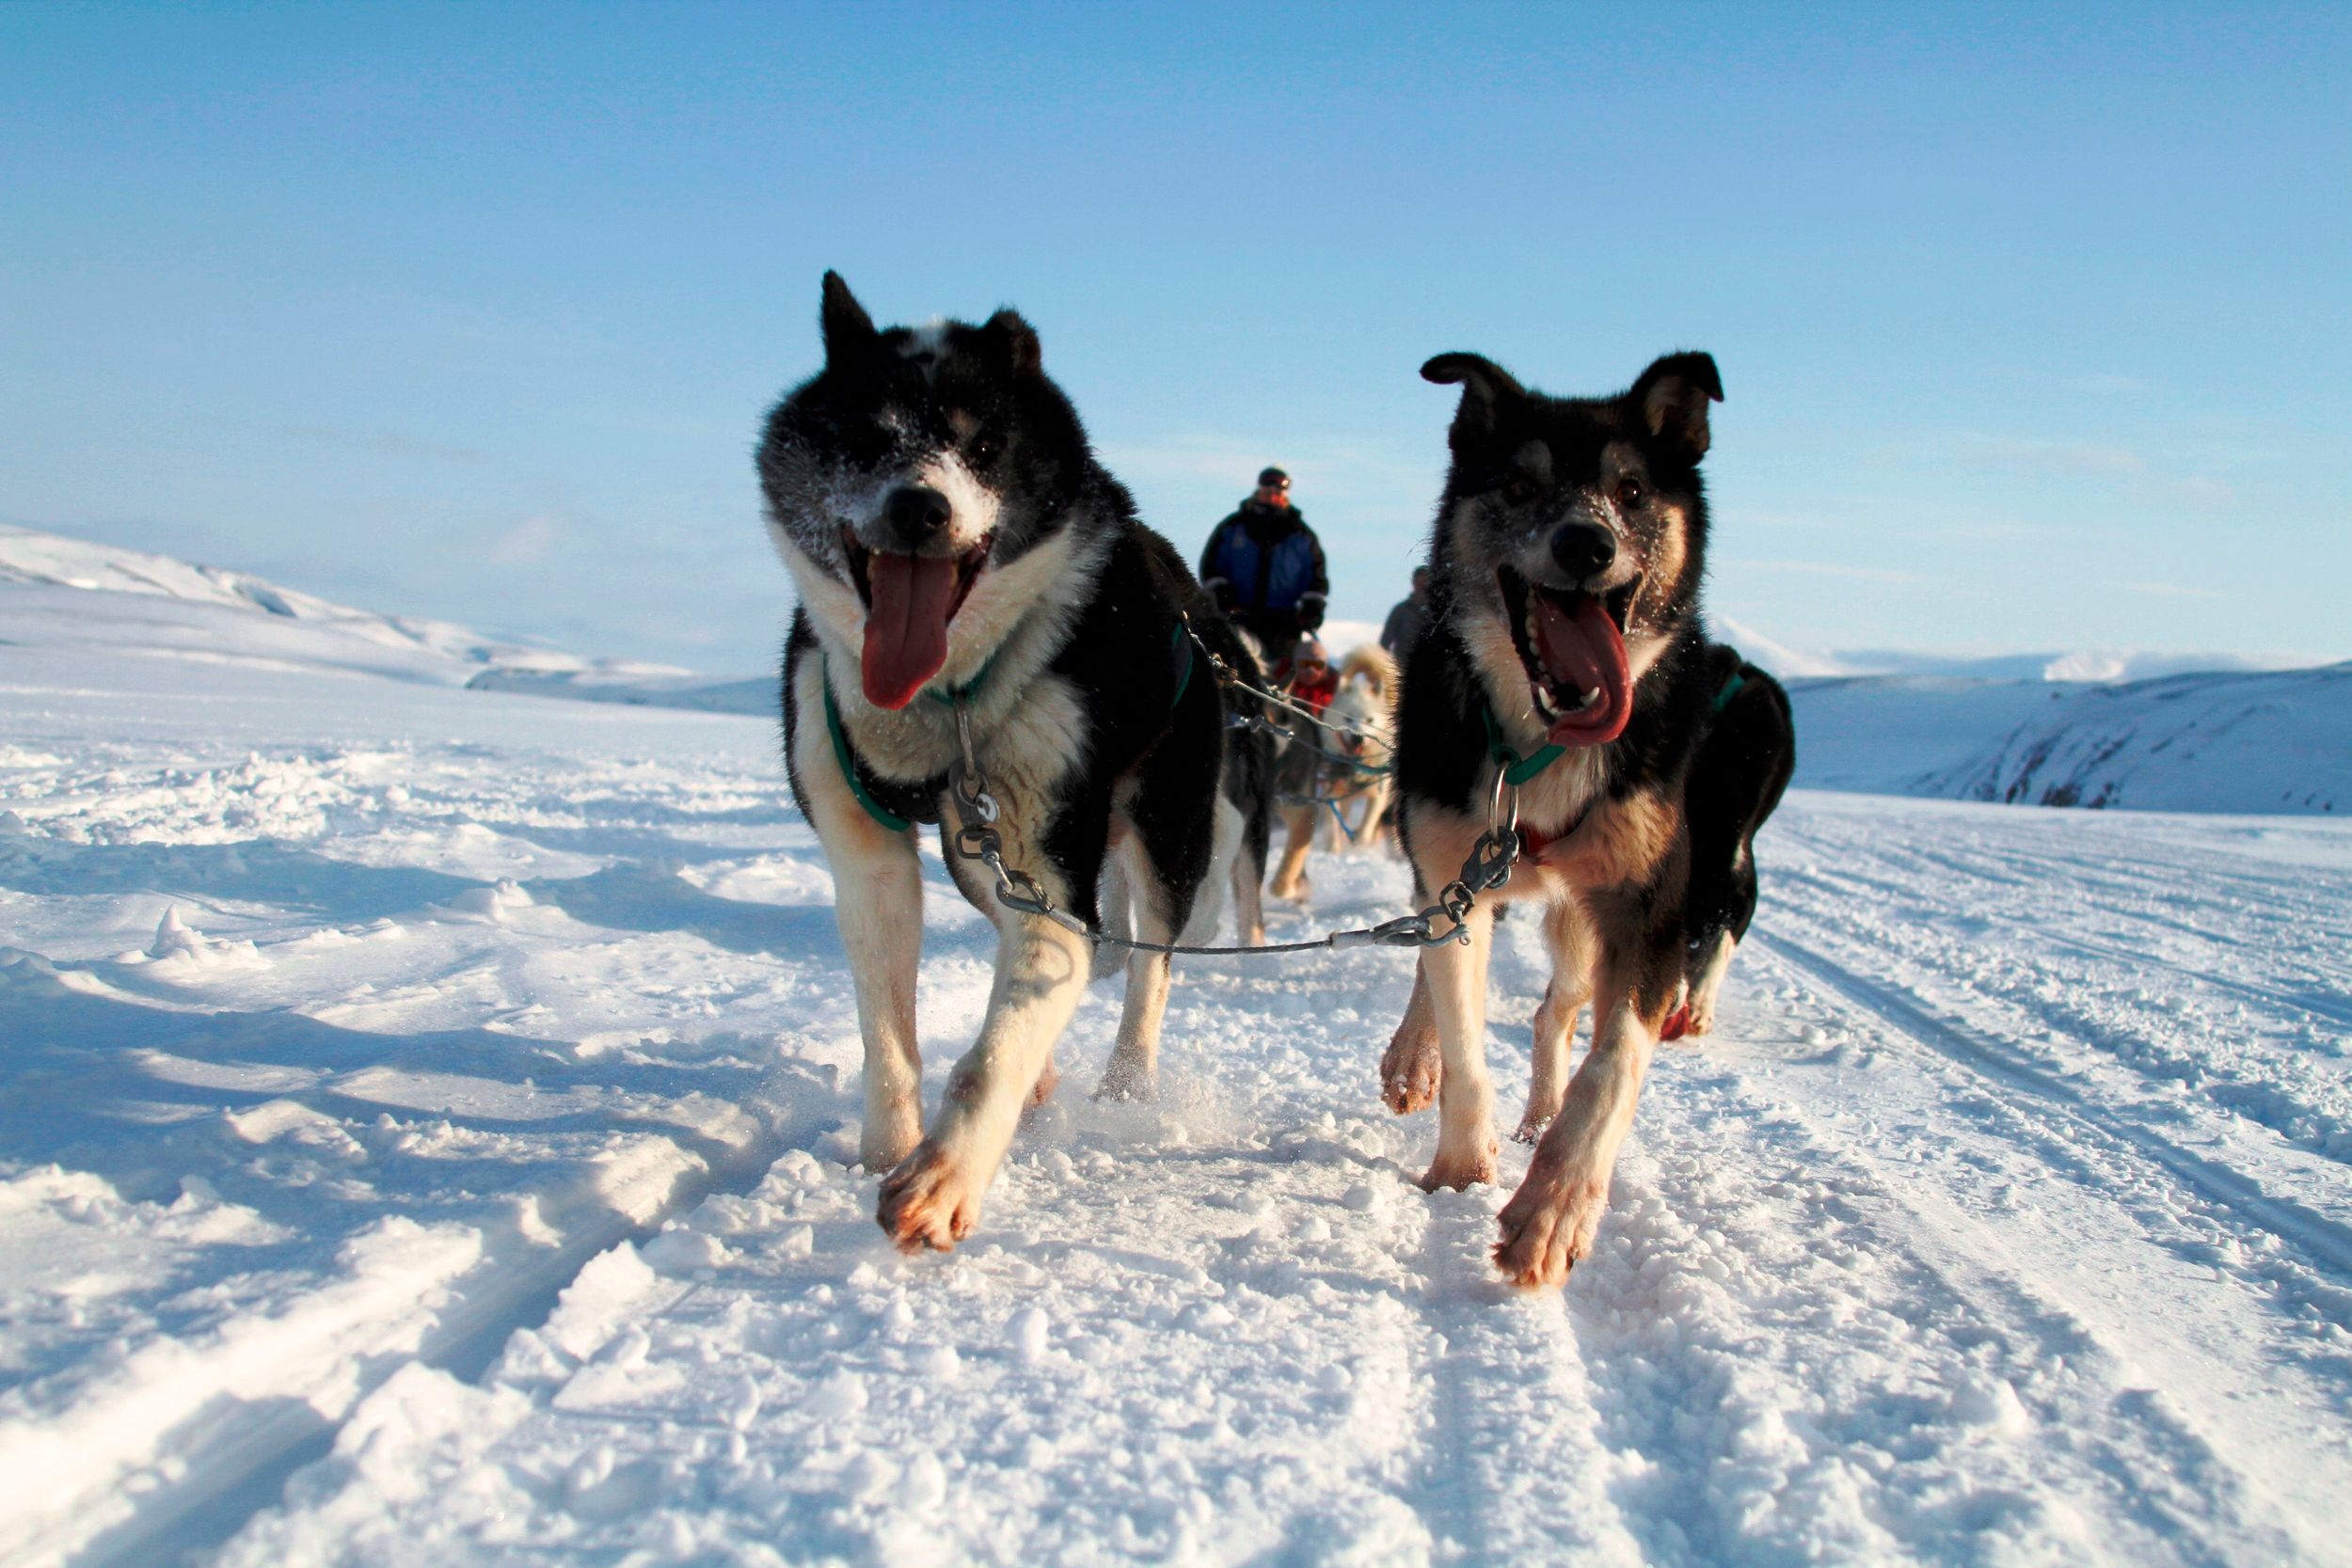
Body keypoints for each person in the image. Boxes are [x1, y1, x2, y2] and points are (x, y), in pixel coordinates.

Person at [1200, 467, 1328, 657]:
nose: (1271, 497)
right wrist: (1222, 596)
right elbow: (1211, 567)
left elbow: (1316, 577)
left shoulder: (1302, 536)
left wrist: (1312, 607)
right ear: (1259, 491)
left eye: (1277, 493)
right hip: (1237, 617)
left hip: (1284, 626)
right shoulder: (1233, 528)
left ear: (1284, 496)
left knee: (1277, 679)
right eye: (1267, 492)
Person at [1380, 566, 1431, 657]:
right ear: (1413, 584)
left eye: (1425, 583)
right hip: (1404, 667)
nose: (1422, 587)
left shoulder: (1441, 613)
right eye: (1419, 583)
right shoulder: (1400, 611)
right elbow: (1385, 643)